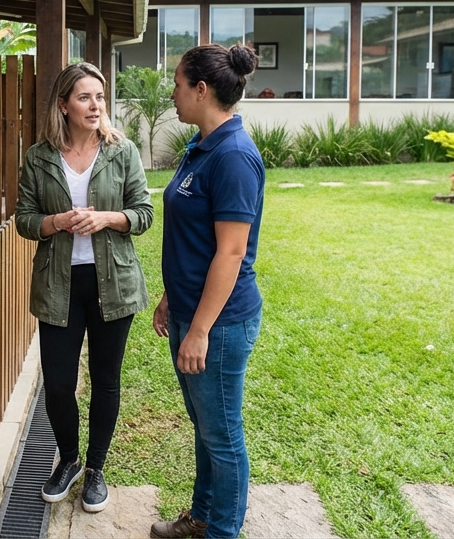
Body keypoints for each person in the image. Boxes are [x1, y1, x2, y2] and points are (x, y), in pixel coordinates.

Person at [14, 61, 153, 513]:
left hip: (113, 282)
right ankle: (69, 459)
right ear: (63, 105)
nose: (96, 106)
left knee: (106, 382)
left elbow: (144, 213)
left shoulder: (122, 150)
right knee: (57, 383)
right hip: (58, 284)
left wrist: (107, 218)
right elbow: (24, 219)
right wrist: (56, 222)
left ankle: (95, 468)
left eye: (100, 96)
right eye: (84, 97)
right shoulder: (39, 156)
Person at [150, 44, 265, 539]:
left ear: (201, 90)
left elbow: (230, 253)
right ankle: (200, 519)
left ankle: (221, 532)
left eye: (177, 84)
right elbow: (191, 239)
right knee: (205, 427)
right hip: (190, 311)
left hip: (217, 324)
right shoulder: (202, 146)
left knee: (222, 436)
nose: (172, 93)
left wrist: (198, 330)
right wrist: (171, 297)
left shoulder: (235, 157)